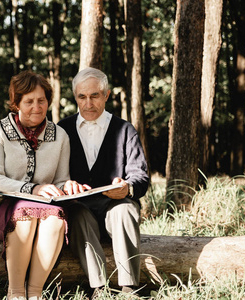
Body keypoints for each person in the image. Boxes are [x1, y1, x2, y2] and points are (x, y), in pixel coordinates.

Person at [0, 70, 85, 300]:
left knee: (56, 219)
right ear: (16, 103)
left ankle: (35, 293)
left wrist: (69, 186)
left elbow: (60, 180)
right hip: (0, 202)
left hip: (46, 207)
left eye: (41, 100)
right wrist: (32, 189)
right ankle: (15, 293)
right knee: (24, 216)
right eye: (29, 101)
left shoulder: (61, 136)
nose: (36, 106)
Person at [58, 67, 149, 296]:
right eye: (82, 97)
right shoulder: (62, 130)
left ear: (106, 95)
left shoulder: (125, 130)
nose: (88, 103)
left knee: (125, 211)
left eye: (94, 95)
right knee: (76, 215)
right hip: (81, 208)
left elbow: (140, 176)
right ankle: (99, 288)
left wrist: (127, 188)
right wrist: (65, 185)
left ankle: (129, 287)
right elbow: (51, 175)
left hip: (115, 205)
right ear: (75, 97)